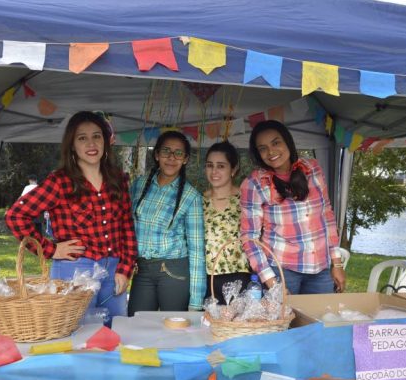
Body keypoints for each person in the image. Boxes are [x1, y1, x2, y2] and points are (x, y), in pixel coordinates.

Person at [5, 111, 137, 325]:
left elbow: (127, 229)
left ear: (105, 141)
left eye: (97, 136)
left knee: (115, 333)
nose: (91, 143)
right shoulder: (60, 182)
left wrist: (125, 269)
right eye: (82, 138)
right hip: (74, 271)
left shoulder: (118, 180)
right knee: (74, 333)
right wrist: (50, 249)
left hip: (114, 271)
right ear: (72, 145)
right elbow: (16, 216)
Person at [240, 120, 346, 295]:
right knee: (285, 315)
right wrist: (272, 283)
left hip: (321, 269)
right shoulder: (254, 183)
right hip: (281, 271)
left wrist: (337, 263)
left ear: (288, 141)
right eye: (263, 148)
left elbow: (327, 216)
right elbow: (250, 238)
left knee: (322, 313)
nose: (271, 152)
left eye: (276, 143)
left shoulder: (312, 168)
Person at [128, 130, 205, 313]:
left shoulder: (191, 196)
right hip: (142, 269)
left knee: (174, 326)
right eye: (166, 151)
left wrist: (196, 301)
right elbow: (126, 228)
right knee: (137, 322)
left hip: (174, 271)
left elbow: (196, 250)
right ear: (156, 155)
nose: (171, 158)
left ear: (185, 159)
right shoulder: (139, 185)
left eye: (178, 153)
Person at [203, 141, 250, 305]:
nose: (214, 171)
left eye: (221, 166)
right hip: (206, 278)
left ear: (234, 169)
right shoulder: (198, 200)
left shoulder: (246, 199)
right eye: (210, 165)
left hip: (240, 276)